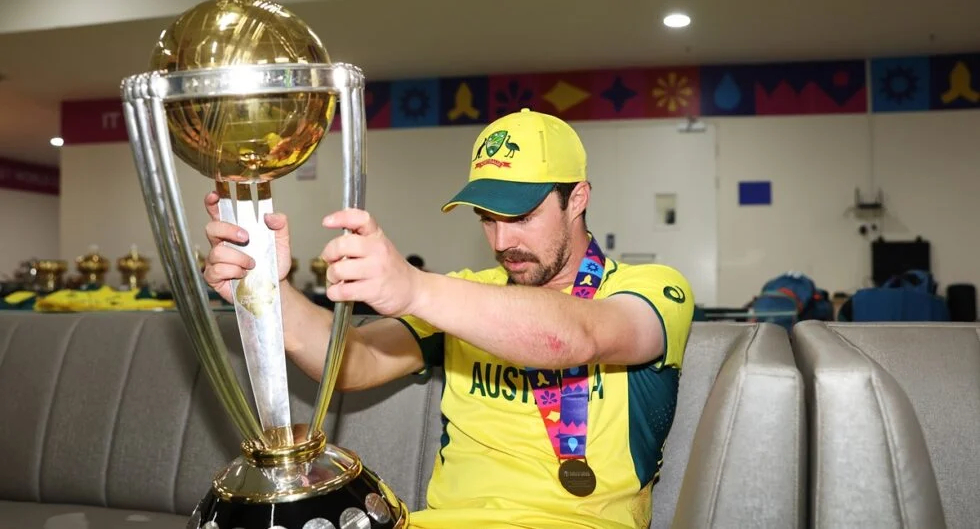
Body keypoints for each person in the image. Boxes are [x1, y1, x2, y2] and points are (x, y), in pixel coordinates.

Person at [203, 108, 695, 529]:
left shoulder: (652, 288)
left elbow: (577, 335)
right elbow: (353, 364)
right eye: (486, 218)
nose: (502, 243)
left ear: (579, 199)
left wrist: (414, 286)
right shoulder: (467, 296)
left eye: (521, 217)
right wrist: (265, 290)